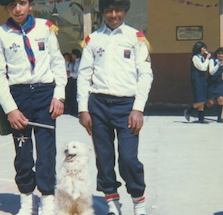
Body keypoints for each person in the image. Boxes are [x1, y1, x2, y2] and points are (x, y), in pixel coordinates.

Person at [0, 0, 67, 214]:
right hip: (18, 97)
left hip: (44, 94)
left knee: (46, 151)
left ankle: (47, 199)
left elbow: (57, 63)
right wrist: (10, 109)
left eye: (22, 3)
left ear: (30, 5)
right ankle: (26, 199)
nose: (17, 9)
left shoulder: (45, 28)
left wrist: (59, 96)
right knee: (23, 152)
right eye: (12, 4)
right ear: (6, 8)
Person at [77, 0, 153, 214]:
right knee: (104, 158)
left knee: (128, 158)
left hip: (127, 106)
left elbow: (145, 74)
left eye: (118, 10)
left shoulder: (136, 38)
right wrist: (83, 109)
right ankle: (113, 203)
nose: (113, 14)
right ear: (102, 12)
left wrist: (138, 108)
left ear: (125, 11)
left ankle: (138, 201)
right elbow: (83, 75)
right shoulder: (93, 39)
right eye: (109, 10)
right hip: (98, 105)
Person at [184, 41, 211, 123]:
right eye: (203, 48)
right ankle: (189, 110)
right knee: (201, 99)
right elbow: (202, 68)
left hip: (202, 79)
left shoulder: (201, 57)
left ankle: (201, 118)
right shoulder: (195, 58)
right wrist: (207, 59)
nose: (204, 50)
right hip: (197, 79)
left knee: (203, 97)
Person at [205, 47, 223, 123]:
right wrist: (218, 65)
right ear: (216, 54)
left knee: (220, 99)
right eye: (219, 53)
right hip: (211, 83)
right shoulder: (212, 61)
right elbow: (211, 72)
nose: (220, 55)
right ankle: (201, 112)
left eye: (222, 54)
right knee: (210, 102)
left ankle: (219, 117)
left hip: (219, 83)